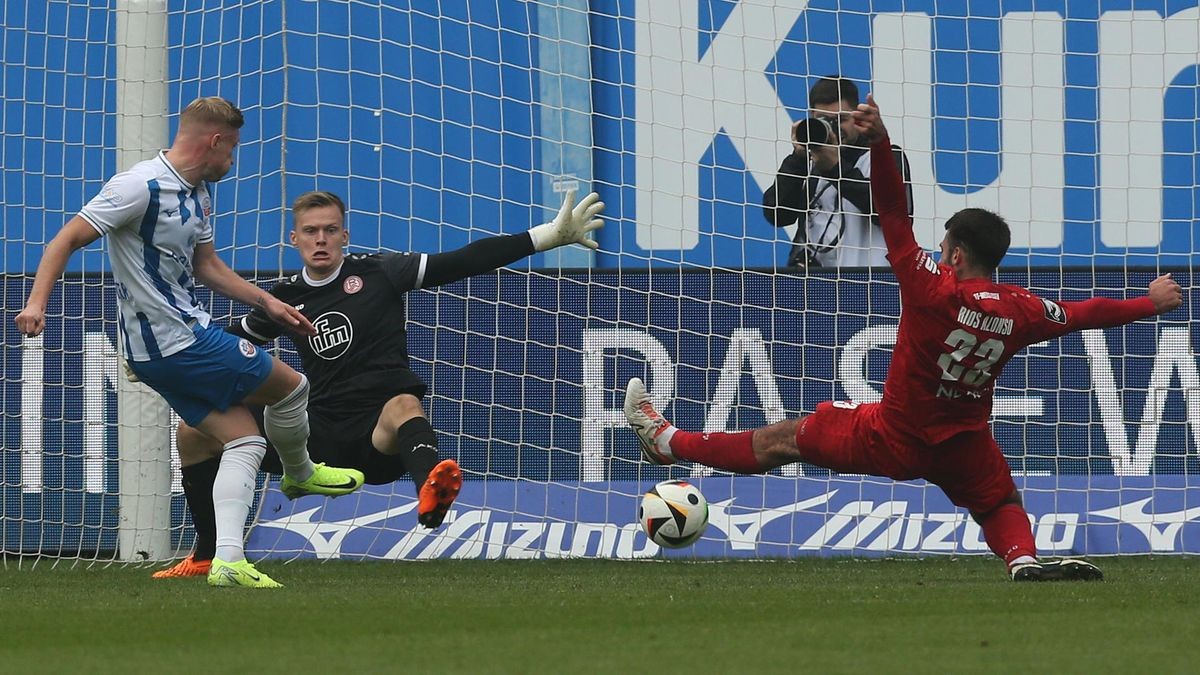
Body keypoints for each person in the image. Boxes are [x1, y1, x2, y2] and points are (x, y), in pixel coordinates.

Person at [627, 95, 1183, 581]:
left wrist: (881, 142)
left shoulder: (930, 288)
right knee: (998, 501)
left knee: (782, 441)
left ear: (957, 254)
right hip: (963, 441)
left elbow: (892, 211)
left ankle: (668, 441)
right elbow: (1086, 313)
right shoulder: (1023, 310)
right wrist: (1148, 303)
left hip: (890, 434)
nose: (940, 251)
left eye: (945, 246)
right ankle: (1023, 560)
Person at [152, 187, 605, 578]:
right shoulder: (284, 298)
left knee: (404, 403)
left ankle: (431, 488)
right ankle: (206, 556)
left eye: (330, 229)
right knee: (193, 432)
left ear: (345, 236)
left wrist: (545, 236)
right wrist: (166, 355)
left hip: (379, 438)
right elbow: (230, 344)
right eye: (311, 231)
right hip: (317, 436)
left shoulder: (379, 274)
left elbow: (462, 262)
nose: (321, 239)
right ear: (294, 239)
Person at [15, 97, 371, 589]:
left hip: (164, 346)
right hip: (176, 341)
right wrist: (36, 304)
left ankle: (226, 560)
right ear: (215, 141)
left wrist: (267, 303)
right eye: (234, 149)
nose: (233, 160)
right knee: (291, 388)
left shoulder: (199, 193)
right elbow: (66, 240)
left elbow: (207, 267)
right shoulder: (138, 187)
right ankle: (300, 472)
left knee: (243, 438)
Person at [762, 76, 911, 268]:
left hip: (874, 283)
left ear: (857, 116)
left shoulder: (884, 157)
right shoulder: (809, 160)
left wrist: (834, 168)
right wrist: (797, 159)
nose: (832, 129)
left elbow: (887, 209)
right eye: (823, 120)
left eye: (840, 119)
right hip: (819, 285)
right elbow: (777, 215)